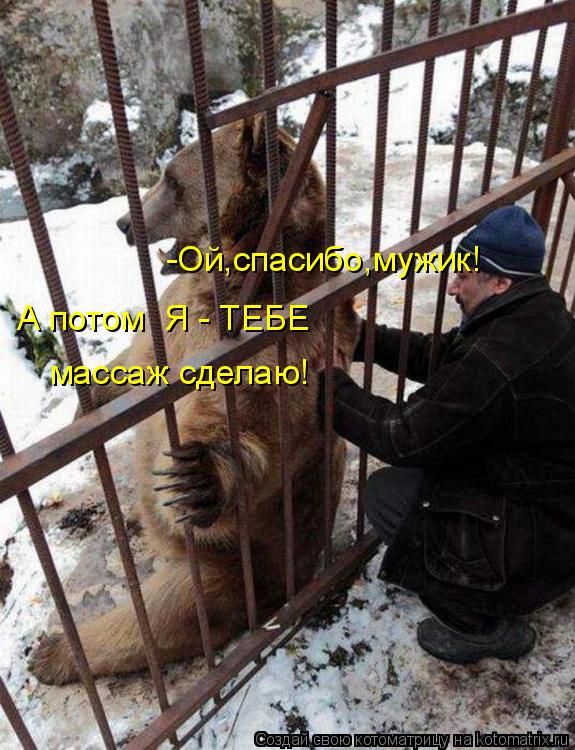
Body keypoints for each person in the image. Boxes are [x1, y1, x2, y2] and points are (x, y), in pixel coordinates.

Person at [318, 205, 575, 664]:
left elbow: (402, 437)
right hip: (554, 509)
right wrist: (362, 337)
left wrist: (329, 387)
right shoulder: (536, 312)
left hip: (542, 539)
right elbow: (446, 357)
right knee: (432, 471)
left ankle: (480, 625)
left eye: (465, 275)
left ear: (500, 282)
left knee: (388, 494)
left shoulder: (499, 359)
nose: (453, 286)